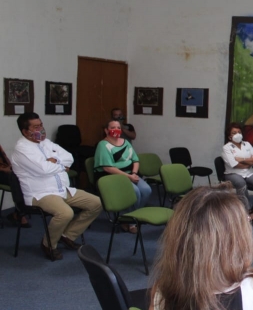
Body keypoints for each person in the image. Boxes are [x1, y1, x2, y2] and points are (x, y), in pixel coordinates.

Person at [11, 112, 102, 261]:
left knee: (95, 203)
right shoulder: (22, 149)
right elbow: (43, 169)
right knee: (65, 213)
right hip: (40, 194)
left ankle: (67, 235)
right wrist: (60, 165)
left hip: (62, 189)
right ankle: (48, 244)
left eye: (41, 125)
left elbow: (69, 157)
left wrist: (54, 161)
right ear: (25, 131)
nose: (40, 129)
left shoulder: (45, 142)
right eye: (35, 127)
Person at [94, 119, 151, 233]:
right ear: (106, 130)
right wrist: (129, 177)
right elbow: (108, 168)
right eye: (112, 128)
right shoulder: (103, 145)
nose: (116, 130)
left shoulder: (125, 142)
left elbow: (135, 160)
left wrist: (134, 173)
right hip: (112, 176)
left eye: (118, 128)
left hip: (130, 173)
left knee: (146, 190)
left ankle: (128, 217)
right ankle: (131, 222)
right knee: (135, 192)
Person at [222, 122, 253, 226]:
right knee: (241, 184)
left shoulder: (247, 144)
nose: (237, 134)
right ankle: (247, 211)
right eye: (234, 132)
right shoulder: (227, 148)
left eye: (239, 132)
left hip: (249, 173)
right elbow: (234, 164)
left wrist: (242, 159)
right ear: (230, 136)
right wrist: (248, 162)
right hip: (232, 174)